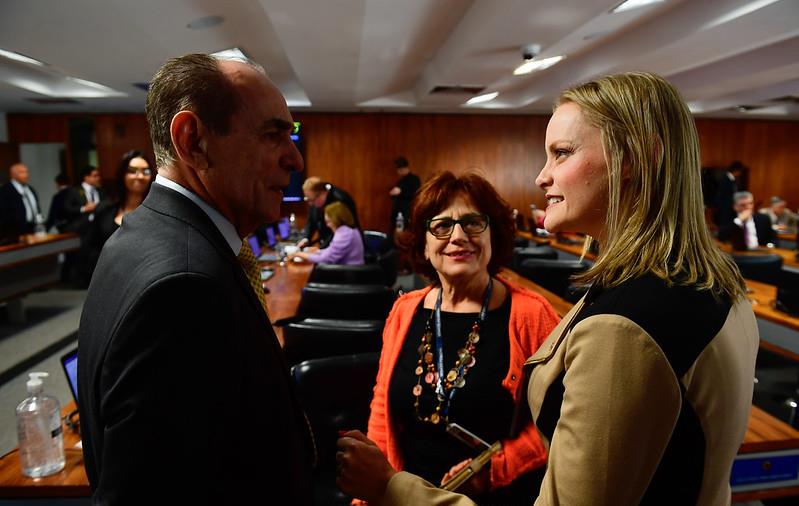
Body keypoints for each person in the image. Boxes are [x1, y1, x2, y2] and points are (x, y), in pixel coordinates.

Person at [337, 72, 759, 506]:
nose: (541, 176)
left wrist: (392, 488)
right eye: (441, 226)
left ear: (637, 157)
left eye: (562, 153)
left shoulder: (622, 327)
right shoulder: (720, 286)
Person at [77, 53, 315, 504]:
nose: (295, 159)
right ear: (193, 141)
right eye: (272, 135)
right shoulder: (185, 289)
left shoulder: (142, 235)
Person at [353, 171, 559, 504]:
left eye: (473, 222)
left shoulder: (532, 315)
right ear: (424, 241)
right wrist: (371, 494)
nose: (458, 236)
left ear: (495, 233)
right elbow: (381, 413)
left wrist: (497, 468)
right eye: (442, 226)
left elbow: (557, 425)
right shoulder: (405, 311)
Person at [84, 150, 155, 281]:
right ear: (122, 174)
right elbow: (91, 249)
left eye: (146, 171)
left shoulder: (158, 212)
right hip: (108, 281)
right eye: (132, 171)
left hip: (145, 282)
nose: (139, 176)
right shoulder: (104, 209)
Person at [291, 201, 364, 265]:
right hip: (347, 271)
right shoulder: (347, 230)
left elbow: (326, 259)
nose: (327, 225)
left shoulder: (344, 234)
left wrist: (299, 254)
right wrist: (317, 251)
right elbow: (331, 252)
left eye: (328, 222)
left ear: (336, 219)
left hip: (348, 274)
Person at [298, 176, 360, 248]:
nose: (310, 204)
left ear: (322, 193)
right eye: (307, 199)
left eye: (311, 200)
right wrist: (306, 238)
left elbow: (341, 232)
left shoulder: (340, 200)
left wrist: (319, 251)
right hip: (327, 247)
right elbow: (311, 221)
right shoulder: (314, 199)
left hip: (344, 248)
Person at [0, 162, 41, 241]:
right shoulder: (5, 191)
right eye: (22, 172)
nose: (26, 175)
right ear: (13, 174)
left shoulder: (30, 189)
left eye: (27, 172)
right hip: (14, 234)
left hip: (33, 230)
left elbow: (36, 208)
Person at [389, 156, 421, 231]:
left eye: (399, 169)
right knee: (396, 234)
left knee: (403, 235)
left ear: (403, 168)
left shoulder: (414, 179)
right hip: (397, 215)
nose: (398, 171)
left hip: (406, 215)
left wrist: (401, 192)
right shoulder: (400, 181)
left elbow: (416, 194)